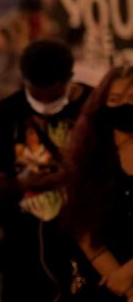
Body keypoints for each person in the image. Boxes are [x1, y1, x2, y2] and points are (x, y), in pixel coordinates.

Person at [0, 39, 92, 301]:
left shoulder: (93, 106)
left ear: (69, 80)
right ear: (24, 81)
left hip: (83, 238)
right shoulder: (7, 112)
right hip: (23, 244)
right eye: (36, 95)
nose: (45, 103)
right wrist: (21, 184)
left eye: (54, 96)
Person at [64, 66, 133, 301]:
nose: (125, 106)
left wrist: (128, 275)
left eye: (132, 98)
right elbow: (82, 227)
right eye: (115, 99)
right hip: (103, 281)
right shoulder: (89, 155)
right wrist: (118, 280)